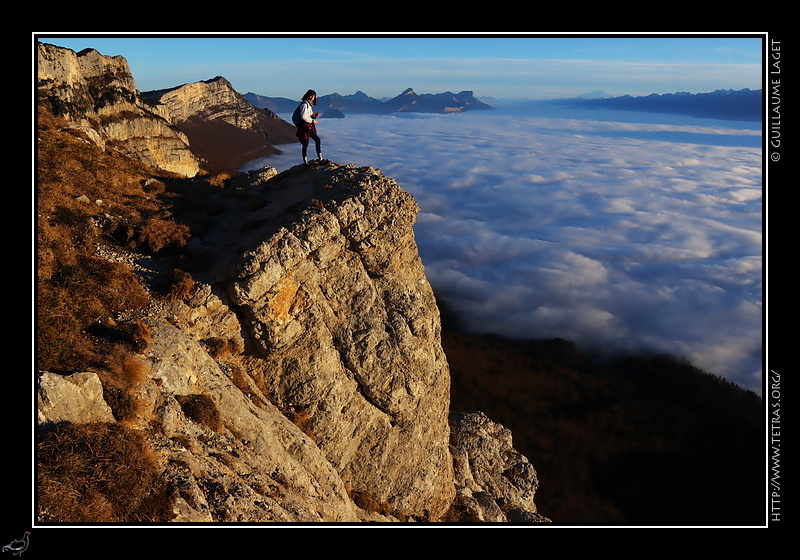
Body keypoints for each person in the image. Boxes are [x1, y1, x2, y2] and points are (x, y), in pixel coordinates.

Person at [295, 89, 326, 164]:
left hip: (307, 126)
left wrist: (313, 115)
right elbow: (303, 117)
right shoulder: (304, 105)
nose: (313, 97)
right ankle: (318, 159)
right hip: (306, 126)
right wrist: (312, 120)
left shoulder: (307, 104)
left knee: (308, 142)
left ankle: (309, 161)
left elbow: (306, 115)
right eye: (312, 96)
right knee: (309, 142)